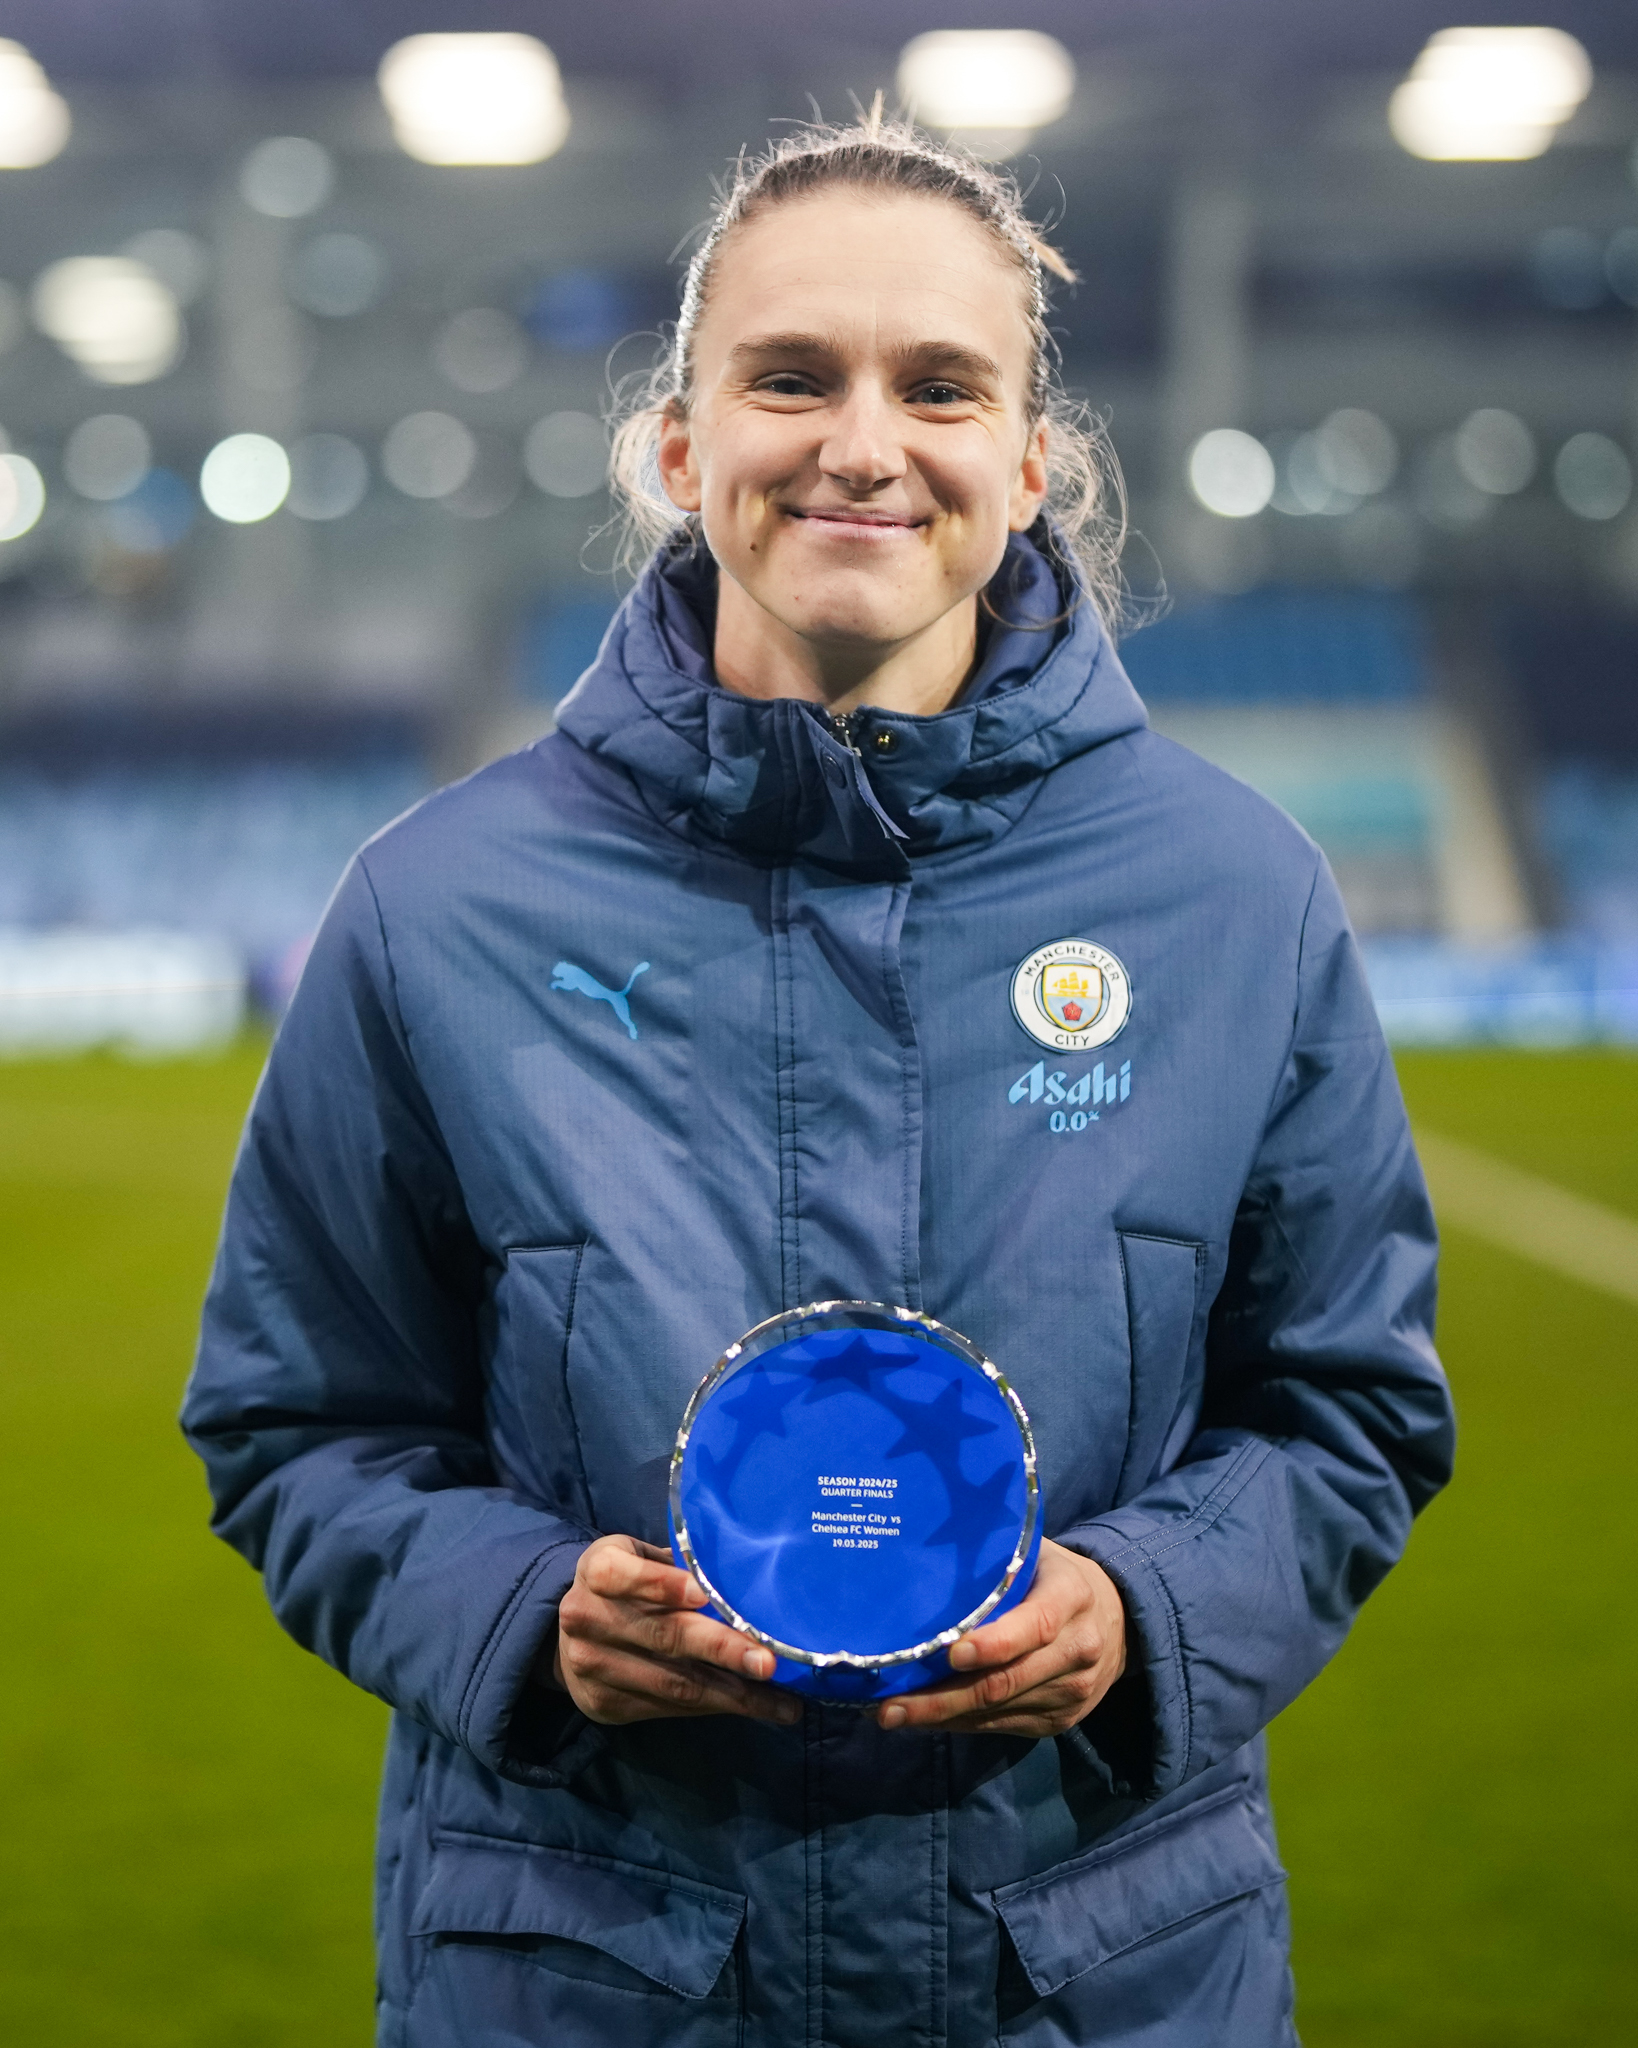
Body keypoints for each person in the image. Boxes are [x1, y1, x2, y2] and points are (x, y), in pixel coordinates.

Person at [184, 112, 1454, 2048]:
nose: (864, 441)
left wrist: (1145, 1610)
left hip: (1105, 1977)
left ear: (1030, 465)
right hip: (595, 1977)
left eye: (940, 385)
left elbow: (1348, 1401)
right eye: (793, 376)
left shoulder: (1233, 892)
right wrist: (521, 1612)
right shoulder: (440, 902)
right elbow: (298, 1421)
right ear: (682, 445)